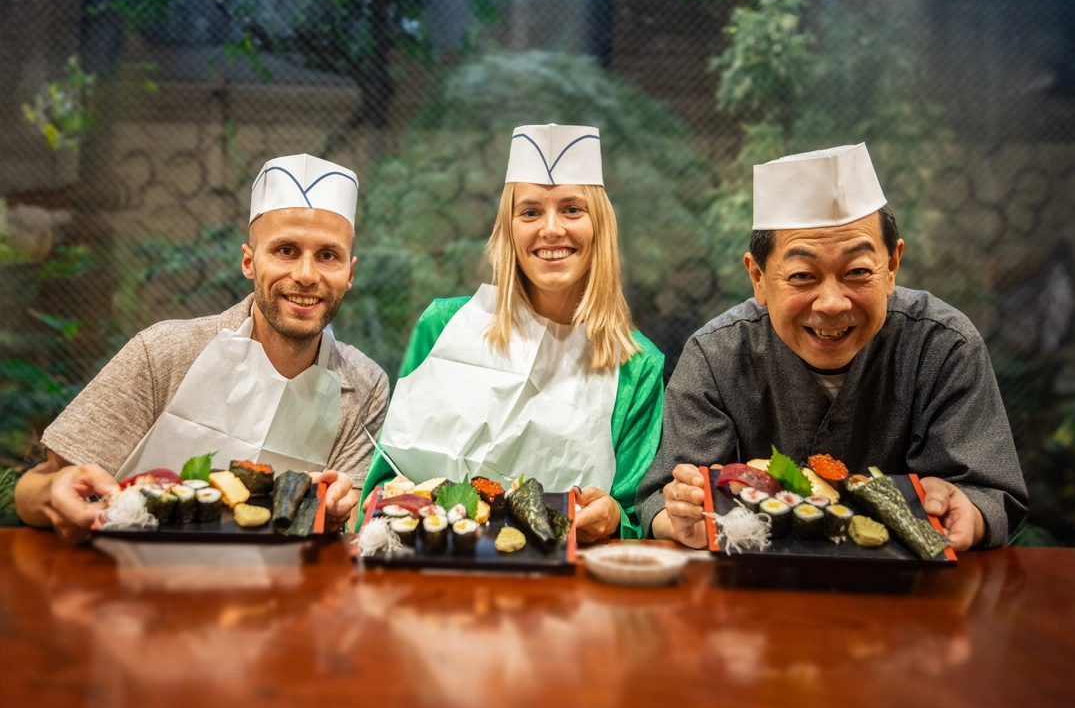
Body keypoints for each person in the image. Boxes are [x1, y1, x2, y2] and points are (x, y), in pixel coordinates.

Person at [637, 143, 1028, 551]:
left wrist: (971, 511)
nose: (831, 303)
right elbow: (665, 499)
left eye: (858, 271)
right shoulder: (716, 356)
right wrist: (679, 518)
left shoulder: (944, 346)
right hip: (757, 594)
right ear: (758, 277)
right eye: (803, 275)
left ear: (892, 266)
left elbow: (986, 492)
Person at [16, 154, 390, 541]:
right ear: (249, 262)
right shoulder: (163, 351)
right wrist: (52, 496)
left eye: (328, 256)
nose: (306, 275)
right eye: (286, 251)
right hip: (130, 583)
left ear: (349, 274)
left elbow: (347, 528)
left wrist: (334, 512)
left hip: (274, 591)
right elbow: (37, 486)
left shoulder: (365, 386)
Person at [360, 124, 665, 542]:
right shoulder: (441, 325)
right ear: (509, 228)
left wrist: (614, 519)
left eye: (573, 209)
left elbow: (635, 516)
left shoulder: (638, 365)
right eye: (531, 212)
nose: (552, 229)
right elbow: (381, 484)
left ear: (600, 228)